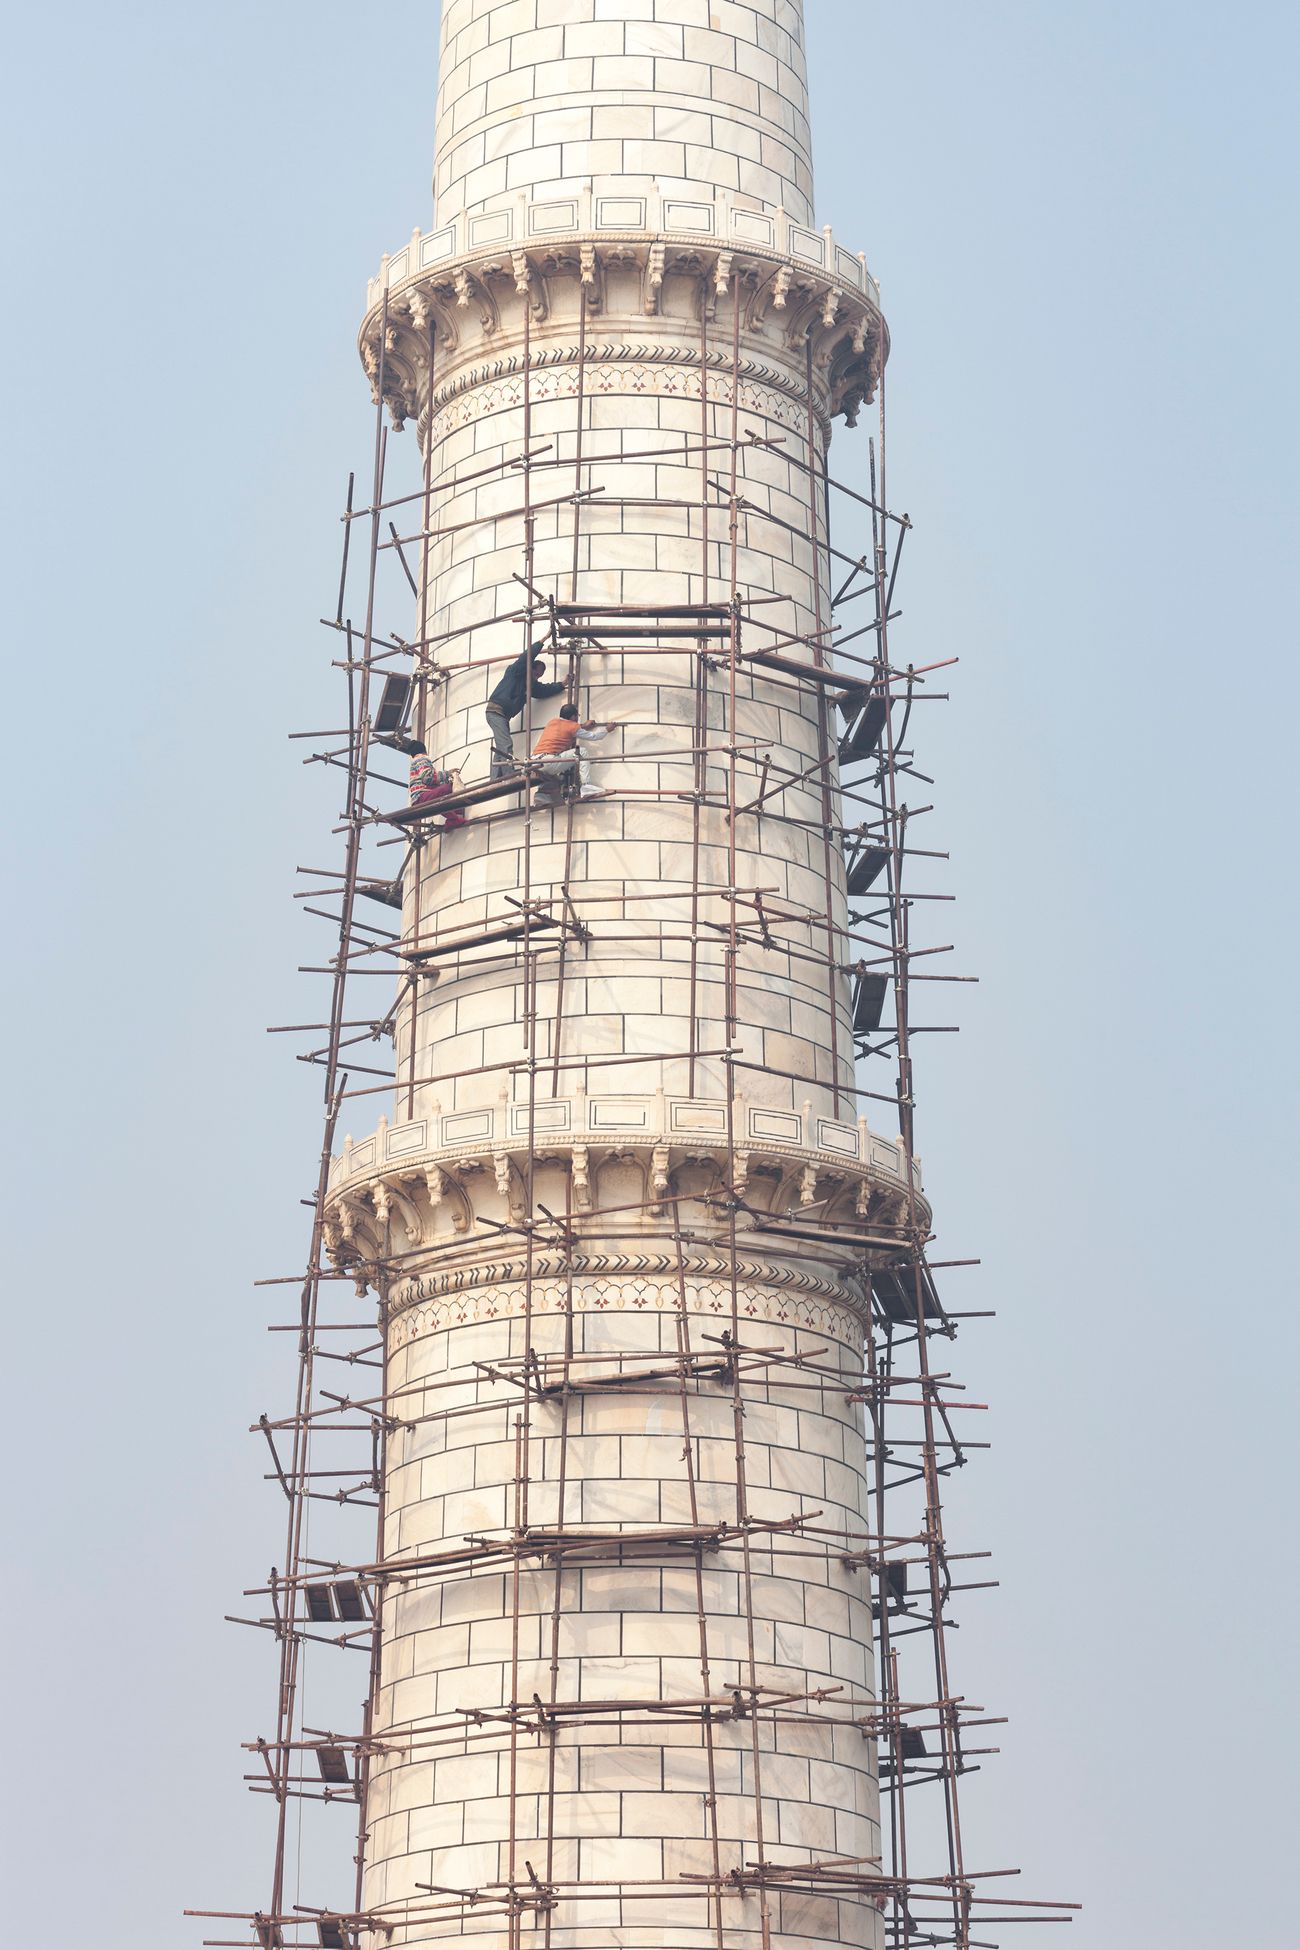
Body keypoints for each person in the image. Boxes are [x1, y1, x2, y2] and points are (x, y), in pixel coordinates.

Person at [484, 640, 566, 779]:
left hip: (502, 716)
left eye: (539, 676)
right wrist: (541, 642)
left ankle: (495, 778)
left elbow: (544, 690)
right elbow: (526, 657)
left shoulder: (531, 685)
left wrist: (562, 684)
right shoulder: (515, 672)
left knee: (500, 747)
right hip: (495, 711)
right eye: (536, 674)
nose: (536, 678)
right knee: (506, 744)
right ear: (530, 669)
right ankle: (508, 775)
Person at [531, 704, 617, 800]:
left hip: (534, 762)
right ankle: (586, 786)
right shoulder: (573, 726)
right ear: (573, 716)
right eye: (577, 716)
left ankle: (541, 795)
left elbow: (566, 729)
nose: (577, 718)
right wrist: (607, 729)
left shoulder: (552, 722)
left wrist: (583, 726)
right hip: (549, 762)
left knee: (556, 777)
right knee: (582, 752)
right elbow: (594, 736)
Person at [409, 747, 466, 828]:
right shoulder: (421, 759)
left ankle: (454, 819)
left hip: (421, 798)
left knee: (443, 797)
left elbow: (431, 781)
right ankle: (455, 818)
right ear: (425, 751)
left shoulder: (415, 762)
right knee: (449, 788)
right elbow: (427, 777)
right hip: (422, 797)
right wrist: (448, 774)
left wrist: (445, 778)